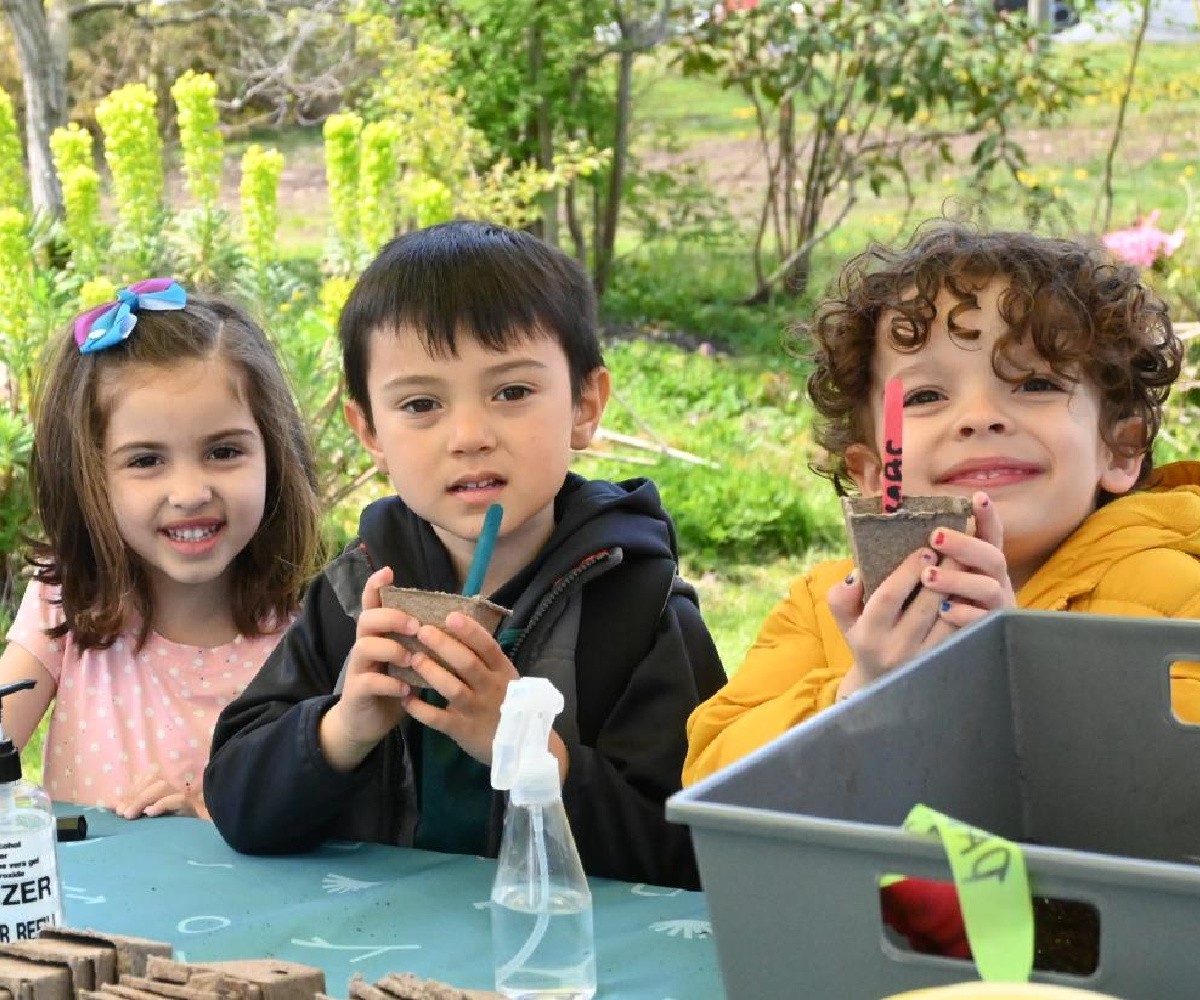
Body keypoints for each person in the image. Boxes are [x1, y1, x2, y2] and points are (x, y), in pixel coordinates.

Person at [682, 221, 1200, 956]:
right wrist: (863, 698)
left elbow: (1170, 824)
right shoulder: (825, 606)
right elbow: (712, 780)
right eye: (924, 396)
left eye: (1036, 383)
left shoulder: (1173, 594)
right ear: (870, 475)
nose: (979, 415)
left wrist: (1019, 671)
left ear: (1119, 450)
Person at [204, 220, 725, 890]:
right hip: (378, 948)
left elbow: (693, 855)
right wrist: (342, 729)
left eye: (511, 392)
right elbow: (238, 808)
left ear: (584, 405)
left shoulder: (639, 607)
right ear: (370, 431)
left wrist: (534, 753)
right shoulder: (359, 591)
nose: (470, 436)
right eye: (421, 404)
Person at [0, 280, 323, 820]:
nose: (191, 492)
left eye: (223, 451)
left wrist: (212, 817)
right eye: (146, 460)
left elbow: (341, 810)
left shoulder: (309, 632)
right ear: (89, 479)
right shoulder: (67, 603)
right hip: (87, 905)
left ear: (274, 452)